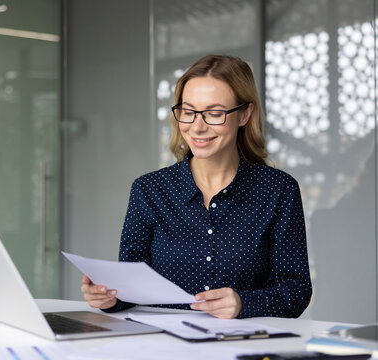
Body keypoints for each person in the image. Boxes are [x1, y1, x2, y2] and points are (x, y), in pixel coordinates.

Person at [80, 55, 312, 319]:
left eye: (214, 113)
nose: (198, 127)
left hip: (241, 346)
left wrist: (244, 303)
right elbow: (132, 286)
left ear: (245, 114)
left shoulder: (279, 190)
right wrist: (109, 298)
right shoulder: (148, 190)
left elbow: (297, 290)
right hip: (162, 345)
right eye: (188, 112)